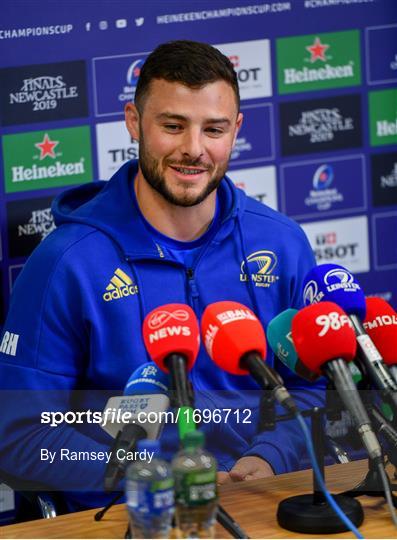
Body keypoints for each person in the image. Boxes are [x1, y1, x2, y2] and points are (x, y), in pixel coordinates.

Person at [0, 40, 324, 512]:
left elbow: (311, 387)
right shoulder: (66, 262)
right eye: (173, 126)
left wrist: (274, 455)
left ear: (236, 130)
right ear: (134, 121)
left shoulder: (282, 243)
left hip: (258, 502)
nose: (193, 150)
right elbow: (19, 435)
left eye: (213, 129)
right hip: (126, 514)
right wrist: (144, 472)